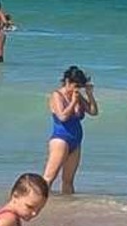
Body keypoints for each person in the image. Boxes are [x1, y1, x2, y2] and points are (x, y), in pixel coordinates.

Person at [41, 66, 98, 194]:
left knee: (68, 180)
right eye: (75, 85)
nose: (77, 89)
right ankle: (38, 202)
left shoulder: (77, 95)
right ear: (67, 81)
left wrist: (89, 95)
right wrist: (73, 102)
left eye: (80, 86)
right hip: (61, 139)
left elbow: (93, 112)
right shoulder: (57, 95)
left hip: (75, 141)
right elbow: (62, 116)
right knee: (49, 177)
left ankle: (66, 208)